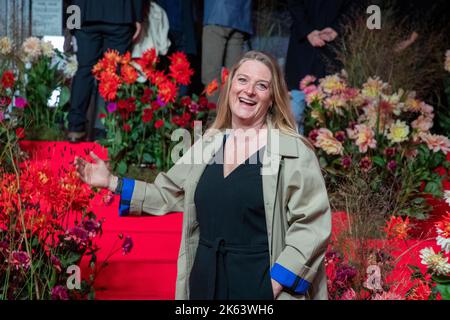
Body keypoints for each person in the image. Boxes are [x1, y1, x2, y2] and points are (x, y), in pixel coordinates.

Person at [75, 51, 331, 300]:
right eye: (242, 80)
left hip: (259, 282)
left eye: (261, 85)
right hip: (206, 280)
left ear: (272, 98)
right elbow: (168, 193)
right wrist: (111, 182)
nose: (249, 90)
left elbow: (312, 223)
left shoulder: (291, 149)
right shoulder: (209, 144)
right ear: (230, 86)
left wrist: (275, 284)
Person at [67, 0, 144, 143]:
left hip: (84, 11)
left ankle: (75, 128)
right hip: (120, 13)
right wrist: (137, 16)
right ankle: (105, 128)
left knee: (84, 69)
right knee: (113, 73)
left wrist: (72, 18)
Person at [285, 0, 360, 134]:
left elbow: (357, 5)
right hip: (302, 47)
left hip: (337, 48)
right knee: (295, 113)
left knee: (333, 118)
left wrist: (338, 28)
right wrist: (307, 30)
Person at [201, 0, 253, 103]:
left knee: (211, 75)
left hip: (216, 13)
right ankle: (232, 115)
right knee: (234, 75)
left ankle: (215, 115)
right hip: (240, 16)